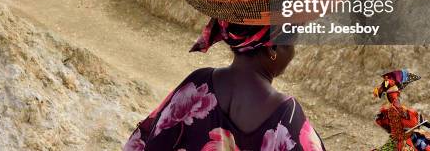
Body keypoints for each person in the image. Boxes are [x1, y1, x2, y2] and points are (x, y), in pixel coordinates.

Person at [124, 19, 326, 150]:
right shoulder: (286, 117)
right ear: (272, 48)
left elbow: (148, 142)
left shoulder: (198, 86)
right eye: (291, 43)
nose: (293, 52)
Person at [372, 70, 430, 151]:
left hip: (402, 138)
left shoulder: (387, 109)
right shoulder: (393, 108)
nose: (398, 93)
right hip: (402, 141)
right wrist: (429, 123)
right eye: (396, 92)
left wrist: (428, 123)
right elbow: (410, 117)